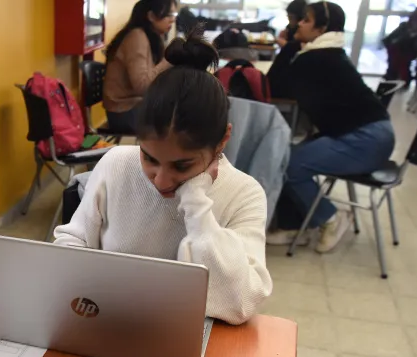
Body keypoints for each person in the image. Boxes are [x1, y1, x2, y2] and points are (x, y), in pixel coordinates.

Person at [55, 35, 272, 324]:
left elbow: (240, 303)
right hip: (111, 321)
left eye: (182, 165)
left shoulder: (244, 194)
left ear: (222, 140)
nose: (161, 181)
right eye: (150, 158)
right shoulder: (118, 163)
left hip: (190, 334)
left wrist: (196, 203)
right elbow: (73, 239)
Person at [267, 1, 395, 252]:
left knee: (291, 165)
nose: (299, 24)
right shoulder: (330, 52)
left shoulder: (313, 58)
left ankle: (331, 219)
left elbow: (274, 84)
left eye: (305, 21)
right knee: (289, 156)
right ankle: (298, 225)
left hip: (363, 140)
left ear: (321, 29)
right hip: (370, 133)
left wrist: (291, 44)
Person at [103, 0, 177, 132]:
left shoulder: (152, 37)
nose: (172, 20)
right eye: (167, 14)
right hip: (124, 112)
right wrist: (168, 60)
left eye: (174, 14)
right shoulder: (136, 37)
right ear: (151, 16)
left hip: (136, 106)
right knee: (182, 120)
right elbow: (142, 86)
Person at [268, 0, 308, 98]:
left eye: (291, 17)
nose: (300, 24)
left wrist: (286, 45)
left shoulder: (302, 38)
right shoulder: (290, 29)